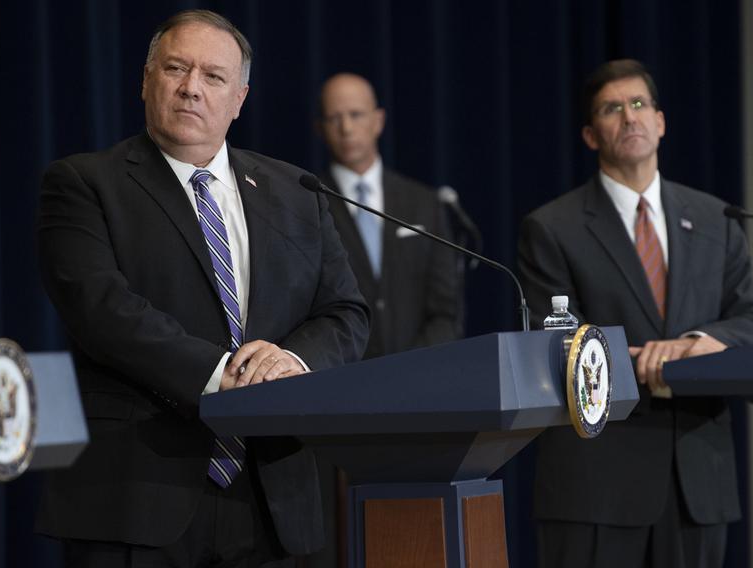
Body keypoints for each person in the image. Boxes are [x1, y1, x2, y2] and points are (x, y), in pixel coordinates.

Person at [35, 9, 369, 568]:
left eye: (213, 76)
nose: (192, 88)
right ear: (146, 80)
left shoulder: (297, 191)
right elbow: (102, 311)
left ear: (239, 98)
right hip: (137, 496)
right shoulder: (83, 183)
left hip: (273, 500)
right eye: (175, 68)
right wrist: (229, 378)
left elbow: (344, 312)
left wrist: (290, 362)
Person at [517, 59, 753, 568]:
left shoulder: (716, 219)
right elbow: (553, 349)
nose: (629, 117)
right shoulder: (551, 227)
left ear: (661, 121)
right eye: (613, 109)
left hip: (697, 482)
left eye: (639, 104)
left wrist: (697, 342)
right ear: (592, 135)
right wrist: (646, 360)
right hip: (597, 486)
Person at [316, 72, 461, 360]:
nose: (346, 128)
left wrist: (411, 368)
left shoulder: (424, 203)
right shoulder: (308, 201)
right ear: (320, 128)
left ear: (378, 121)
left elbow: (446, 311)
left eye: (356, 114)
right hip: (344, 381)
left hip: (421, 378)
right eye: (335, 118)